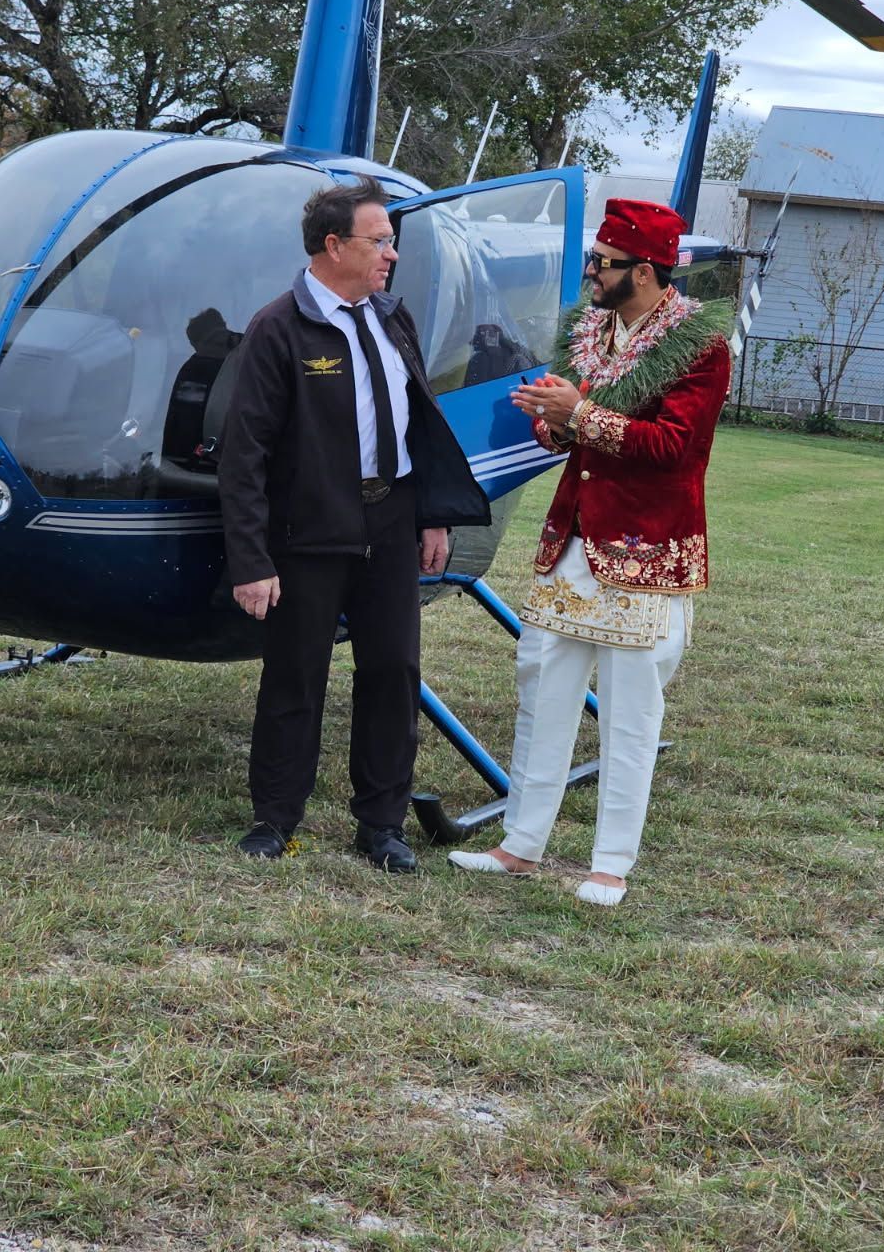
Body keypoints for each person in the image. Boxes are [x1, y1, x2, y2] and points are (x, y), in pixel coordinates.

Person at [449, 198, 731, 905]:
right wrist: (553, 422)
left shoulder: (701, 347)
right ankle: (521, 844)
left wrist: (578, 413)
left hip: (647, 547)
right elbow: (576, 436)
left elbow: (673, 449)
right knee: (542, 685)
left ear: (644, 270)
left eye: (601, 264)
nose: (590, 275)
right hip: (571, 535)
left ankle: (611, 864)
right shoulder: (590, 332)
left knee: (632, 706)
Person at [219, 179, 490, 871]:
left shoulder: (392, 318)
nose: (392, 255)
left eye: (392, 241)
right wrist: (251, 560)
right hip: (311, 530)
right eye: (380, 240)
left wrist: (430, 517)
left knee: (393, 670)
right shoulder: (278, 328)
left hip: (393, 521)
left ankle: (381, 826)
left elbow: (418, 427)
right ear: (333, 245)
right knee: (295, 676)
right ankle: (275, 820)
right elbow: (244, 455)